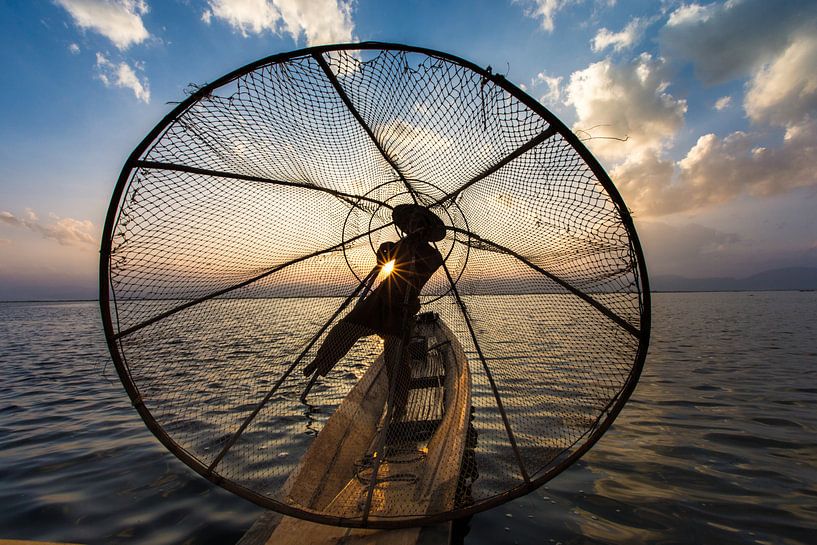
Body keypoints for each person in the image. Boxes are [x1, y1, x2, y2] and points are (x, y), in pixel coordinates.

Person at [303, 204, 446, 416]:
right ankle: (322, 360)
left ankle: (399, 404)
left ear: (426, 230)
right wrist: (388, 249)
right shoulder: (399, 245)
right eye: (410, 224)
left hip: (402, 308)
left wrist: (406, 246)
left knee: (395, 355)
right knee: (346, 328)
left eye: (418, 223)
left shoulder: (433, 255)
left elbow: (422, 264)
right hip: (379, 300)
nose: (413, 227)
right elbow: (384, 259)